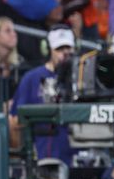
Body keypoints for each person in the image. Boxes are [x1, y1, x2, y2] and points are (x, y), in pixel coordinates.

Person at [8, 26, 75, 164]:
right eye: (59, 49)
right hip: (43, 154)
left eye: (68, 48)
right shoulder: (32, 78)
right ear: (48, 49)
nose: (64, 53)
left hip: (76, 155)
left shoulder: (81, 78)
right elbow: (15, 120)